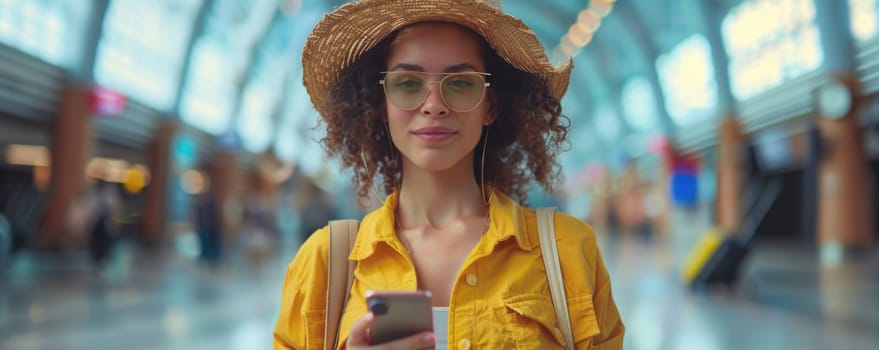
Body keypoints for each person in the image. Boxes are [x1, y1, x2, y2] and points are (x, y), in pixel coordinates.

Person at [274, 0, 625, 349]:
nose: (434, 104)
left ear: (491, 105)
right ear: (380, 103)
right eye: (408, 83)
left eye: (460, 83)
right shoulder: (324, 263)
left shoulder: (567, 251)